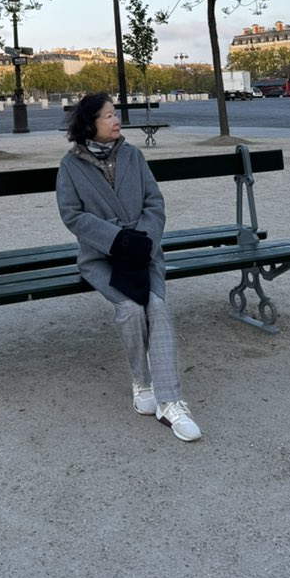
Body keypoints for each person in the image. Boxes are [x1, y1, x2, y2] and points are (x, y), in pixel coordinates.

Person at [55, 91, 201, 442]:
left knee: (158, 307)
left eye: (114, 113)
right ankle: (141, 382)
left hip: (145, 252)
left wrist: (144, 241)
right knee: (130, 308)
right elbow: (72, 215)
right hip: (102, 257)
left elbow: (154, 201)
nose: (116, 119)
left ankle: (169, 401)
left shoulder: (133, 155)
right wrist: (116, 239)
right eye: (108, 115)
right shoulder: (70, 166)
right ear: (90, 125)